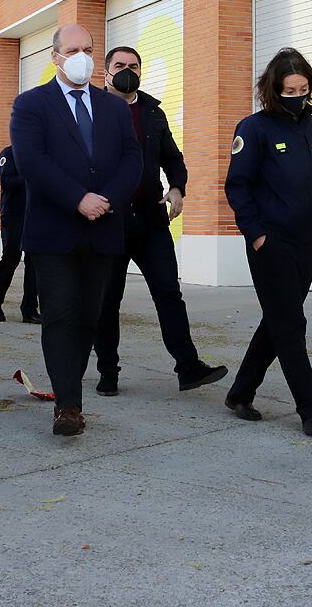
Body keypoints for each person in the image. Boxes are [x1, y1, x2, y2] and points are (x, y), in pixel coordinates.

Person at [9, 24, 140, 437]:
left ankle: (70, 391)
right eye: (72, 49)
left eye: (87, 48)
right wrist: (78, 199)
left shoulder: (114, 108)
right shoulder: (31, 105)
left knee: (89, 316)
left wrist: (106, 200)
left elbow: (132, 160)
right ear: (56, 56)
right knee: (61, 314)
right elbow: (32, 161)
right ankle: (68, 404)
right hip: (54, 231)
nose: (80, 55)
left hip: (103, 228)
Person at [92, 46, 225, 396]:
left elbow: (172, 156)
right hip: (108, 223)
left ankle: (188, 367)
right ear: (105, 73)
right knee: (108, 301)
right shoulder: (90, 108)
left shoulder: (152, 112)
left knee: (169, 292)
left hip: (150, 221)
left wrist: (178, 187)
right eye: (119, 65)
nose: (127, 71)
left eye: (133, 66)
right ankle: (108, 372)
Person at [223, 48, 312, 438]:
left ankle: (240, 392)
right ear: (273, 89)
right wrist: (256, 234)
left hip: (310, 241)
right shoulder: (253, 129)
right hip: (272, 241)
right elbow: (238, 187)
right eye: (290, 89)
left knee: (278, 320)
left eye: (304, 89)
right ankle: (311, 408)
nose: (298, 96)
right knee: (290, 323)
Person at [0, 145, 39, 323]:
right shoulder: (9, 154)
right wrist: (31, 175)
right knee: (11, 257)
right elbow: (7, 182)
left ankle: (29, 309)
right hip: (13, 215)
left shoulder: (38, 154)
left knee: (34, 261)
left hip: (34, 215)